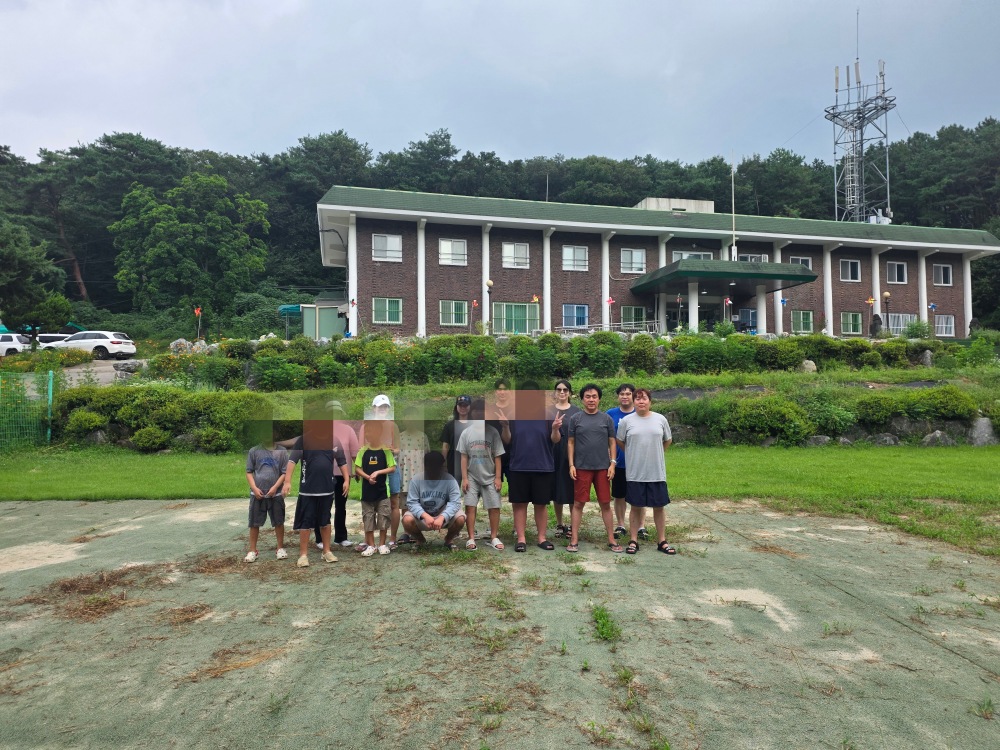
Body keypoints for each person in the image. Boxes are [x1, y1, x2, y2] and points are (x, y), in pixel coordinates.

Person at [500, 381, 563, 552]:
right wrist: (505, 426)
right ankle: (521, 538)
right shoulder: (513, 414)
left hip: (543, 465)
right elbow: (507, 440)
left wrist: (555, 429)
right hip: (518, 466)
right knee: (519, 504)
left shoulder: (548, 414)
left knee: (541, 504)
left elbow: (556, 439)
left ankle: (542, 538)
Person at [615, 388, 676, 556]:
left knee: (659, 507)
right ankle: (633, 540)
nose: (641, 402)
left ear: (650, 401)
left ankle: (662, 541)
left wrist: (656, 453)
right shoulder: (626, 421)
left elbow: (667, 440)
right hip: (635, 473)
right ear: (633, 402)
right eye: (638, 399)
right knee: (635, 506)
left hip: (656, 472)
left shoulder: (660, 419)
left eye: (644, 399)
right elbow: (620, 441)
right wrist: (633, 453)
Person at [284, 419, 349, 568]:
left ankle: (327, 551)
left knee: (325, 521)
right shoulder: (304, 440)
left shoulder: (334, 439)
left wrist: (346, 479)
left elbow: (342, 461)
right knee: (306, 523)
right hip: (308, 490)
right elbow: (292, 461)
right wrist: (287, 481)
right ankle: (303, 555)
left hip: (327, 489)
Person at [566, 384, 621, 553]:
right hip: (581, 467)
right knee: (578, 503)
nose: (591, 400)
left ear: (599, 399)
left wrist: (612, 463)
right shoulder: (575, 419)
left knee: (605, 503)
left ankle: (611, 539)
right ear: (582, 399)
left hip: (603, 468)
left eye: (594, 396)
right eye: (588, 397)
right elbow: (570, 442)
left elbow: (612, 442)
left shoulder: (606, 419)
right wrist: (571, 465)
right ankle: (574, 540)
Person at [456, 397, 505, 550]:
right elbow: (463, 457)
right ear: (472, 412)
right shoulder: (466, 432)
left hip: (490, 476)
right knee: (470, 506)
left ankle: (494, 537)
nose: (479, 413)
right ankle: (471, 538)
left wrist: (498, 477)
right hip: (472, 475)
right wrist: (464, 478)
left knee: (494, 506)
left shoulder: (493, 432)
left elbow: (498, 456)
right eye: (476, 410)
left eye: (482, 410)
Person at [359, 394, 402, 548]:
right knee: (369, 503)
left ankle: (392, 538)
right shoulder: (366, 426)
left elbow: (398, 448)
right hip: (370, 469)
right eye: (380, 406)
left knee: (393, 502)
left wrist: (393, 450)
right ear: (374, 408)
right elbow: (361, 449)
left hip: (390, 467)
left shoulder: (393, 425)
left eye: (385, 407)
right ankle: (368, 540)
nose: (383, 409)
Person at [402, 451, 466, 549]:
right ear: (425, 466)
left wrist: (442, 517)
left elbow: (455, 503)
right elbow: (412, 503)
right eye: (431, 467)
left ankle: (449, 539)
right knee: (407, 520)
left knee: (460, 518)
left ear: (442, 467)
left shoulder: (450, 480)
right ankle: (420, 540)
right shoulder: (416, 479)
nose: (434, 470)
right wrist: (425, 516)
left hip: (442, 511)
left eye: (437, 467)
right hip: (423, 513)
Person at [244, 426, 289, 562]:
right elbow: (249, 472)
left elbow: (284, 472)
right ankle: (253, 550)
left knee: (278, 521)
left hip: (276, 494)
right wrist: (254, 488)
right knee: (254, 523)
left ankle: (280, 548)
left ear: (275, 433)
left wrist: (275, 487)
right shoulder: (254, 451)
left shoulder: (282, 451)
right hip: (258, 494)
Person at [607, 383, 645, 540]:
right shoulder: (610, 414)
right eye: (622, 394)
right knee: (619, 495)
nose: (625, 396)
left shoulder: (641, 413)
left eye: (628, 394)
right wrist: (611, 460)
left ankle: (641, 526)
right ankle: (621, 525)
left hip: (638, 463)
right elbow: (608, 438)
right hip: (618, 462)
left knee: (639, 496)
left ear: (633, 396)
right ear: (618, 396)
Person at [354, 420, 397, 557]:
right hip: (366, 493)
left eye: (370, 431)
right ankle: (371, 545)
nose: (367, 434)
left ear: (379, 432)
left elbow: (392, 467)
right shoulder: (363, 451)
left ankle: (382, 544)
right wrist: (367, 477)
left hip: (383, 492)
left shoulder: (386, 450)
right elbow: (357, 468)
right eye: (366, 431)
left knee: (384, 517)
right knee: (368, 518)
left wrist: (378, 472)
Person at [549, 379, 581, 537]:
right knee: (556, 489)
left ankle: (573, 525)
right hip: (552, 454)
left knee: (572, 490)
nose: (562, 392)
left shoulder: (577, 412)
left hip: (572, 456)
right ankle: (560, 523)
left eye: (565, 390)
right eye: (559, 389)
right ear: (555, 393)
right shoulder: (548, 411)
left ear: (570, 393)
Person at [327, 400, 360, 548]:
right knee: (324, 506)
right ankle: (321, 538)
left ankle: (341, 537)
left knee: (341, 506)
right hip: (324, 474)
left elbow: (354, 453)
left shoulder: (348, 430)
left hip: (343, 475)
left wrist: (357, 470)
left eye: (337, 412)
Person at [441, 395, 473, 481]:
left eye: (465, 405)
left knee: (471, 489)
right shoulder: (449, 425)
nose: (463, 408)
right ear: (456, 407)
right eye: (460, 405)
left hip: (472, 463)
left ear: (470, 407)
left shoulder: (475, 424)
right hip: (453, 463)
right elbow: (445, 446)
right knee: (454, 488)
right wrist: (443, 464)